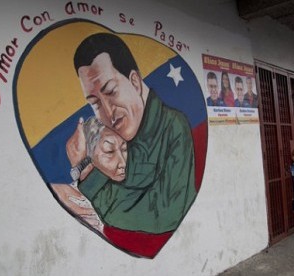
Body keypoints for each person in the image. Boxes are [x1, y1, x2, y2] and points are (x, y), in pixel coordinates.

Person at [66, 33, 196, 235]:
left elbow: (165, 215)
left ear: (134, 82)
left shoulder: (173, 127)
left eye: (111, 91)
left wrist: (87, 173)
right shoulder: (103, 136)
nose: (108, 112)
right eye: (95, 103)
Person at [52, 116, 127, 233]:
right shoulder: (73, 200)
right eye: (109, 151)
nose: (122, 162)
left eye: (124, 149)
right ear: (88, 154)